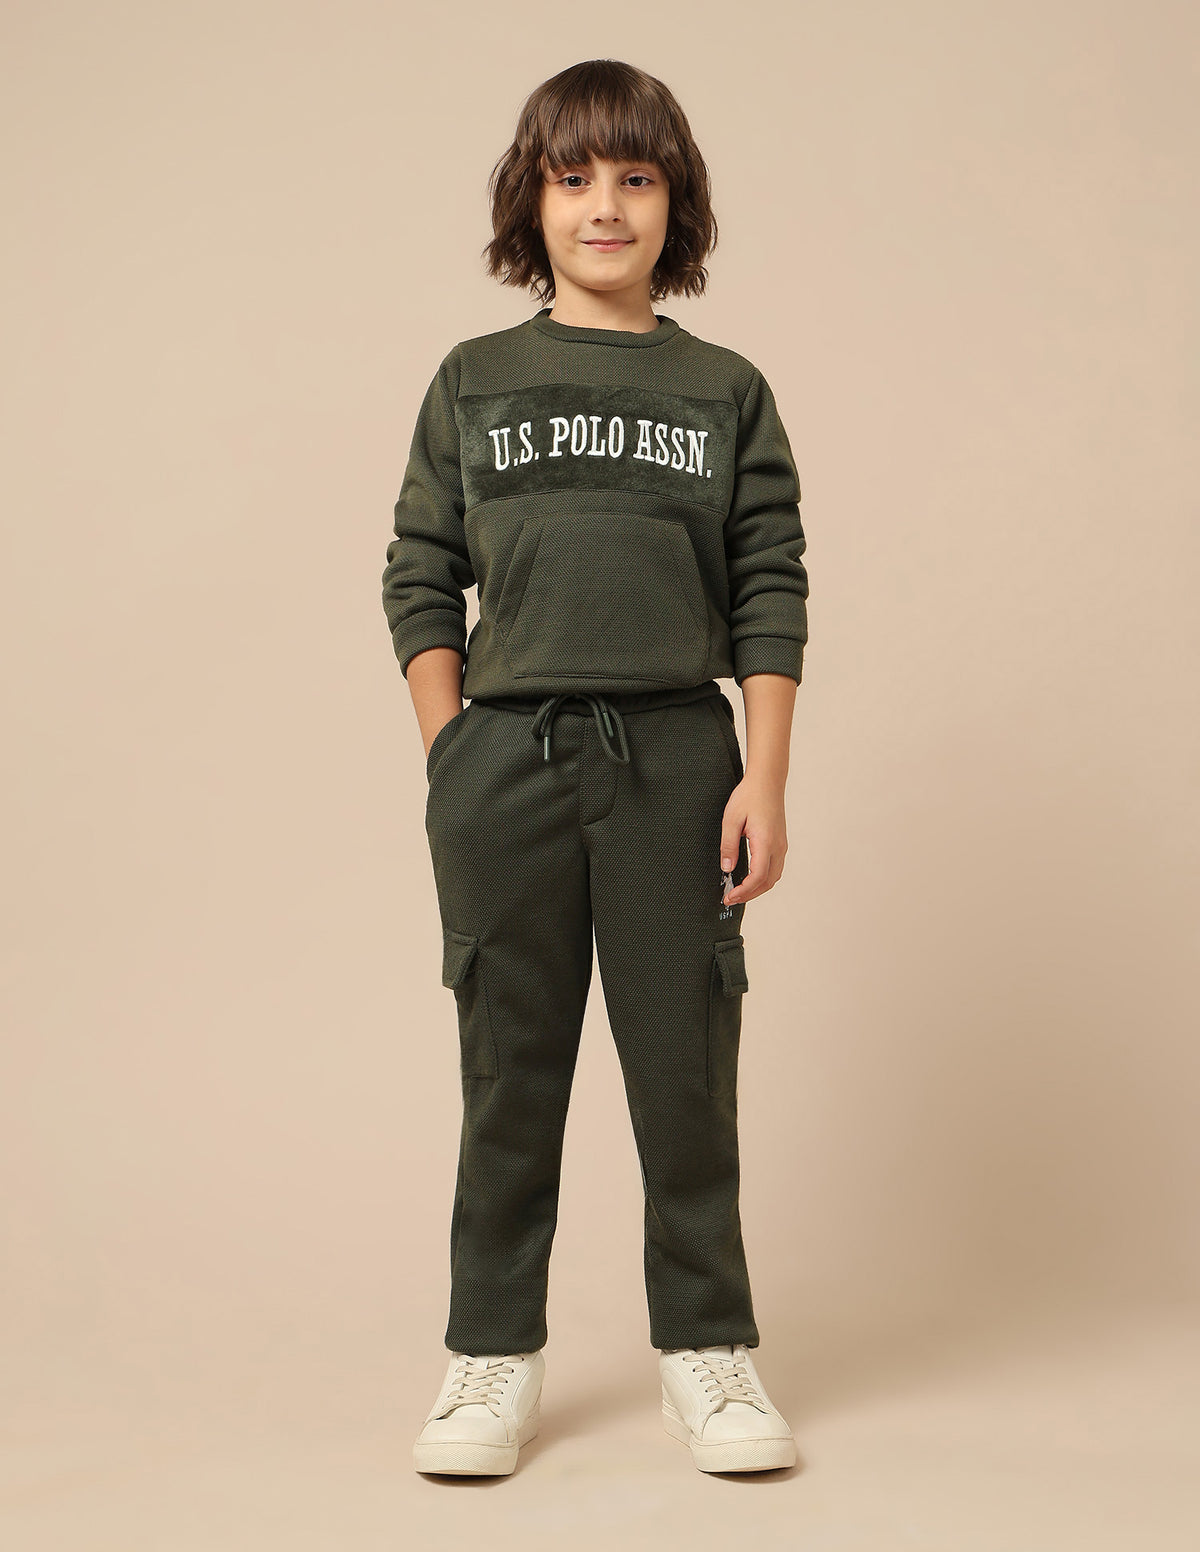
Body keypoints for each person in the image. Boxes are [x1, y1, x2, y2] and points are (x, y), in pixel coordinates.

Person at [382, 58, 809, 1477]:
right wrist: (453, 755)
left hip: (679, 763)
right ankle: (490, 1360)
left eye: (636, 177)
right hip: (507, 761)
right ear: (534, 200)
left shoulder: (723, 391)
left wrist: (765, 777)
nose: (605, 206)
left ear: (677, 202)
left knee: (685, 1071)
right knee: (509, 1075)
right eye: (574, 178)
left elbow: (770, 583)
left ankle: (709, 1353)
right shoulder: (474, 381)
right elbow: (420, 571)